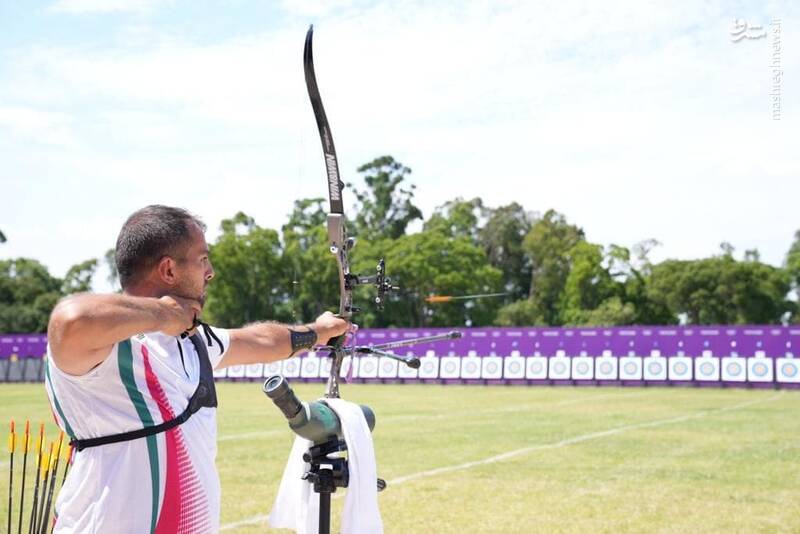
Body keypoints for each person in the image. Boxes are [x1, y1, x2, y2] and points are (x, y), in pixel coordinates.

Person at [44, 205, 349, 533]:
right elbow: (70, 320)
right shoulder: (106, 348)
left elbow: (261, 340)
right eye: (202, 259)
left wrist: (318, 331)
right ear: (168, 270)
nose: (210, 271)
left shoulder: (193, 340)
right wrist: (165, 313)